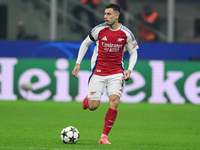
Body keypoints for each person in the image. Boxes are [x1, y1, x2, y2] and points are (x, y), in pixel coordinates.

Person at [72, 3, 139, 144]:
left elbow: (134, 53)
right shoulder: (99, 30)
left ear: (117, 15)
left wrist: (130, 69)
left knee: (114, 101)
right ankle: (87, 100)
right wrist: (78, 63)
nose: (105, 17)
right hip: (99, 71)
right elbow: (85, 43)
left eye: (109, 14)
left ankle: (104, 136)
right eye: (105, 14)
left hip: (117, 72)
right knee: (93, 106)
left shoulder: (126, 33)